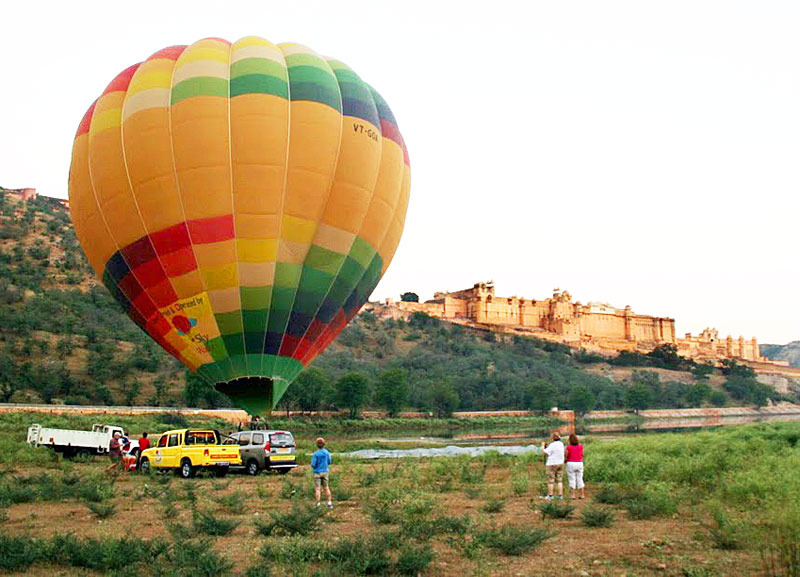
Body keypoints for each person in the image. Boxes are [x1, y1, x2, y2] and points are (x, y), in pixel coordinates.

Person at [310, 437, 333, 509]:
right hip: (325, 472)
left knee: (317, 488)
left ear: (317, 445)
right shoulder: (327, 452)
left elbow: (313, 464)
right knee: (326, 487)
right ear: (324, 444)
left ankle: (318, 504)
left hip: (317, 472)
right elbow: (329, 461)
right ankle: (329, 503)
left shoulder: (316, 454)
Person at [541, 432, 565, 500]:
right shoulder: (561, 444)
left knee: (551, 480)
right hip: (560, 463)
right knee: (559, 480)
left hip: (552, 464)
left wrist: (543, 446)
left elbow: (545, 452)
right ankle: (560, 495)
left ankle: (550, 495)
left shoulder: (552, 445)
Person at [565, 433, 585, 500]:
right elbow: (582, 454)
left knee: (572, 479)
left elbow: (566, 455)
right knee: (580, 478)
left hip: (571, 463)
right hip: (579, 463)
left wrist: (565, 460)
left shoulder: (568, 447)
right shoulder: (581, 446)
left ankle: (572, 495)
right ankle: (582, 494)